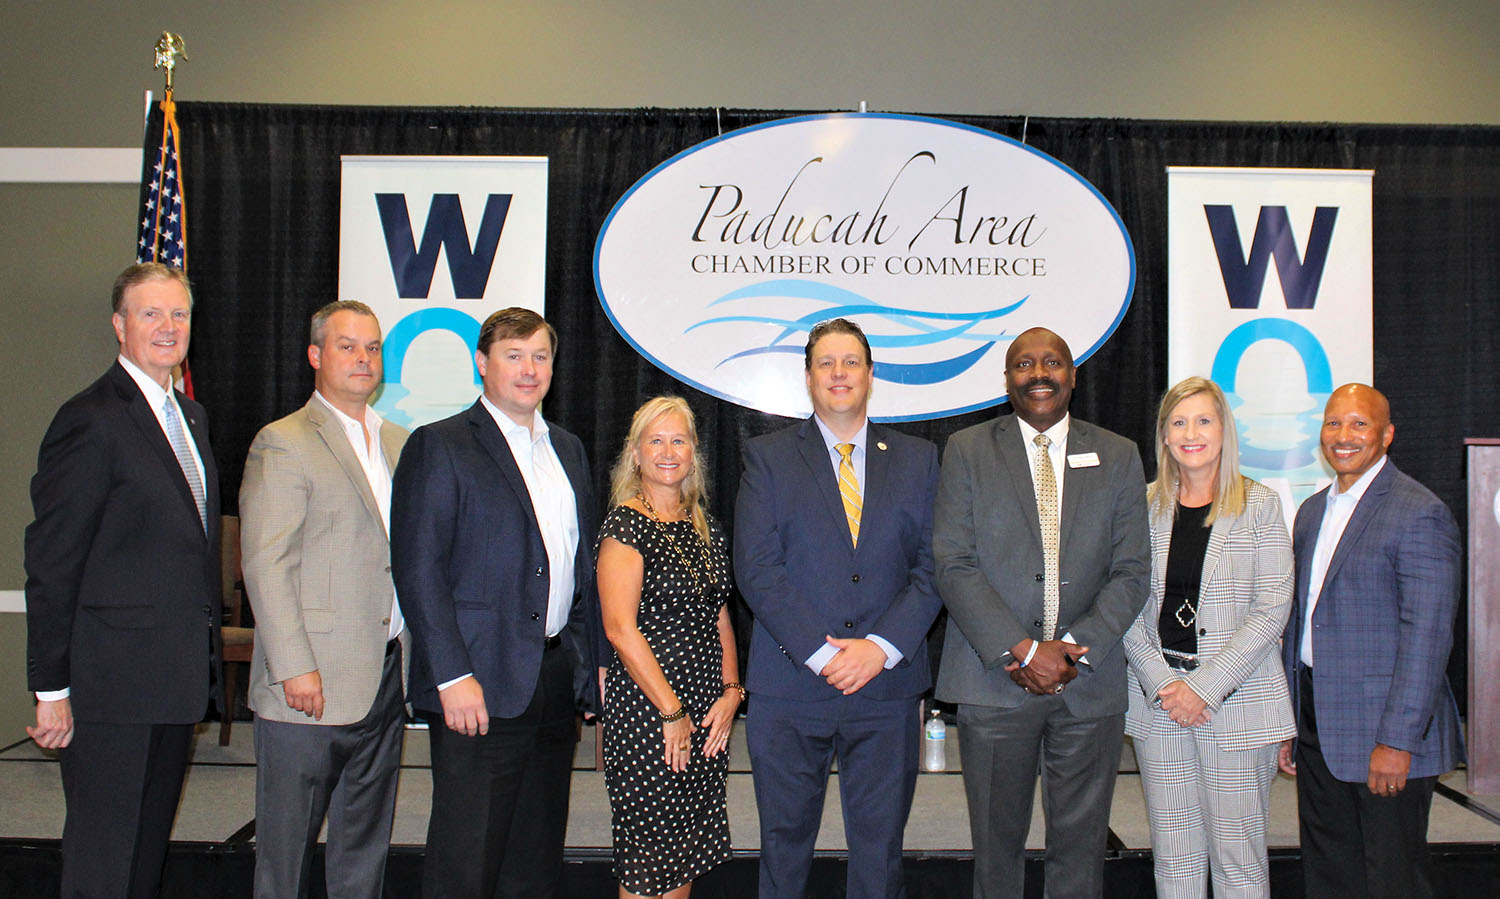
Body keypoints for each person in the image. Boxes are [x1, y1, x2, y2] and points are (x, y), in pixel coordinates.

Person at [23, 262, 221, 898]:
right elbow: (53, 562)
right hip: (110, 687)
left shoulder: (189, 417)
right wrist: (50, 686)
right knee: (103, 864)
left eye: (179, 314)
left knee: (143, 860)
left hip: (172, 681)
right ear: (119, 325)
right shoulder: (90, 419)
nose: (168, 327)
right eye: (150, 313)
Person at [391, 307, 603, 898]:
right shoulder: (441, 445)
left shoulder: (568, 448)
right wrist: (452, 674)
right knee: (467, 858)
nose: (529, 369)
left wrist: (593, 666)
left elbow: (581, 567)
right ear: (482, 364)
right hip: (477, 684)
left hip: (556, 679)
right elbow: (418, 571)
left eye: (540, 356)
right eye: (514, 356)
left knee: (533, 860)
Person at [933, 326, 1149, 899]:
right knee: (996, 855)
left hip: (1088, 682)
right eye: (1023, 364)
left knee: (1080, 857)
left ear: (1073, 375)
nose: (1038, 373)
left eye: (1052, 361)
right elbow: (953, 562)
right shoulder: (968, 451)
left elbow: (1133, 569)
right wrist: (1024, 649)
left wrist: (1075, 648)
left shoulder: (1120, 455)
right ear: (1007, 380)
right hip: (996, 681)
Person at [734, 318, 943, 898]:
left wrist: (879, 649)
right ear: (807, 377)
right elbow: (757, 570)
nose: (839, 373)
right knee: (784, 846)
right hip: (791, 685)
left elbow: (934, 568)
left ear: (871, 374)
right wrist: (824, 654)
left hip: (886, 688)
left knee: (880, 854)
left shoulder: (919, 459)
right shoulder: (768, 458)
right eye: (825, 363)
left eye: (850, 361)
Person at [239, 301, 409, 898]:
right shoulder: (282, 441)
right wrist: (294, 665)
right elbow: (265, 560)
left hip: (385, 675)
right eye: (346, 346)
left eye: (372, 348)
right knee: (284, 858)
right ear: (316, 355)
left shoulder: (397, 441)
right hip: (305, 687)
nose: (362, 358)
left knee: (364, 850)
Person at [1278, 383, 1463, 899]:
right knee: (1331, 873)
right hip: (1317, 726)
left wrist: (1397, 741)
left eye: (1359, 424)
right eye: (1333, 423)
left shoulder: (1418, 512)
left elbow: (1427, 637)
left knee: (1390, 880)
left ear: (1387, 435)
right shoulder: (1313, 511)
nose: (1343, 435)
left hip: (1385, 736)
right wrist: (1291, 719)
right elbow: (1301, 623)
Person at [1120, 376, 1296, 898]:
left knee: (1238, 865)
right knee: (1174, 865)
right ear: (1164, 435)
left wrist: (1203, 687)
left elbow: (1272, 610)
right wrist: (1163, 684)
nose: (1190, 433)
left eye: (1203, 420)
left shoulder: (1260, 506)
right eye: (1178, 422)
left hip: (1238, 705)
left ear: (1224, 430)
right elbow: (1122, 604)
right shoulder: (1141, 505)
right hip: (1161, 708)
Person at [597, 396, 740, 898]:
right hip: (651, 717)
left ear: (694, 451)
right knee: (648, 863)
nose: (667, 450)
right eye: (655, 440)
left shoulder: (705, 526)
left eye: (678, 439)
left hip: (704, 716)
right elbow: (619, 629)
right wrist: (671, 710)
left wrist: (731, 690)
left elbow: (720, 611)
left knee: (682, 861)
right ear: (635, 454)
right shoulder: (626, 526)